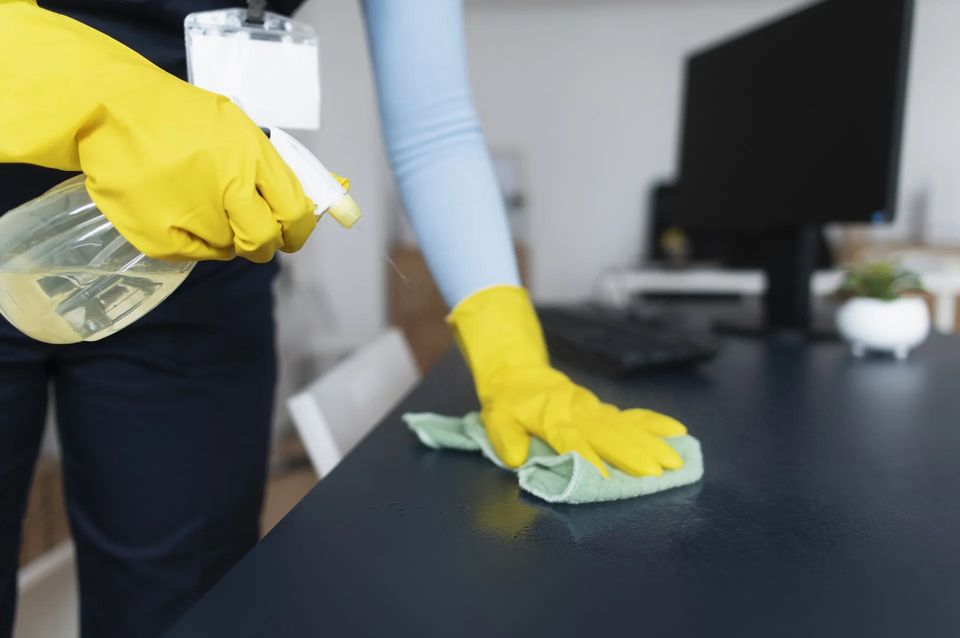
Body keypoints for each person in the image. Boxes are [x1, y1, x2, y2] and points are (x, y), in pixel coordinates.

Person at [0, 0, 688, 636]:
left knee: (183, 607)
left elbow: (435, 123)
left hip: (197, 253)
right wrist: (103, 98)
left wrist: (512, 355)